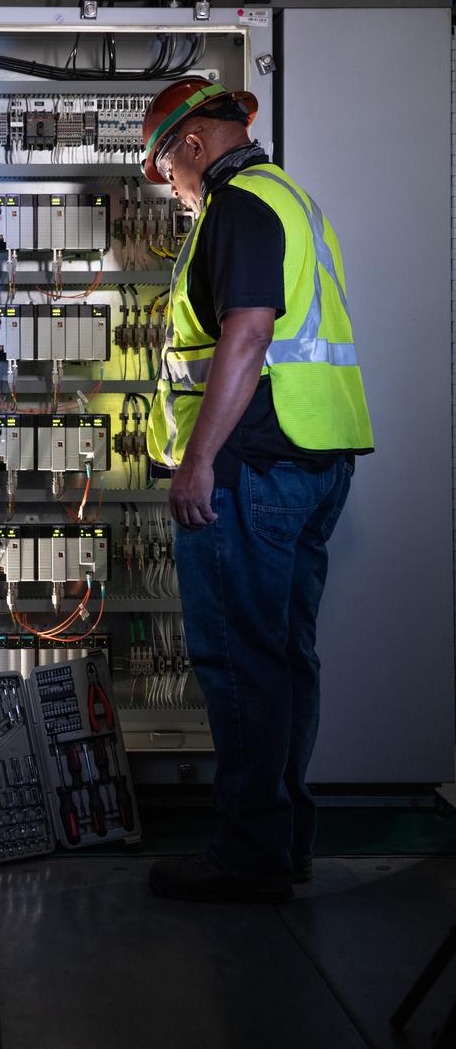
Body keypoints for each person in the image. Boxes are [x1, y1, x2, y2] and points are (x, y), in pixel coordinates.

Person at [141, 77, 374, 904]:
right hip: (313, 457)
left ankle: (247, 854)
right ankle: (283, 845)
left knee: (241, 661)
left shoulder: (237, 207)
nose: (169, 186)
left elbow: (247, 333)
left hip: (250, 469)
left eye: (164, 169)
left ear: (193, 146)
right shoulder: (288, 198)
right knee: (281, 658)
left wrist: (197, 461)